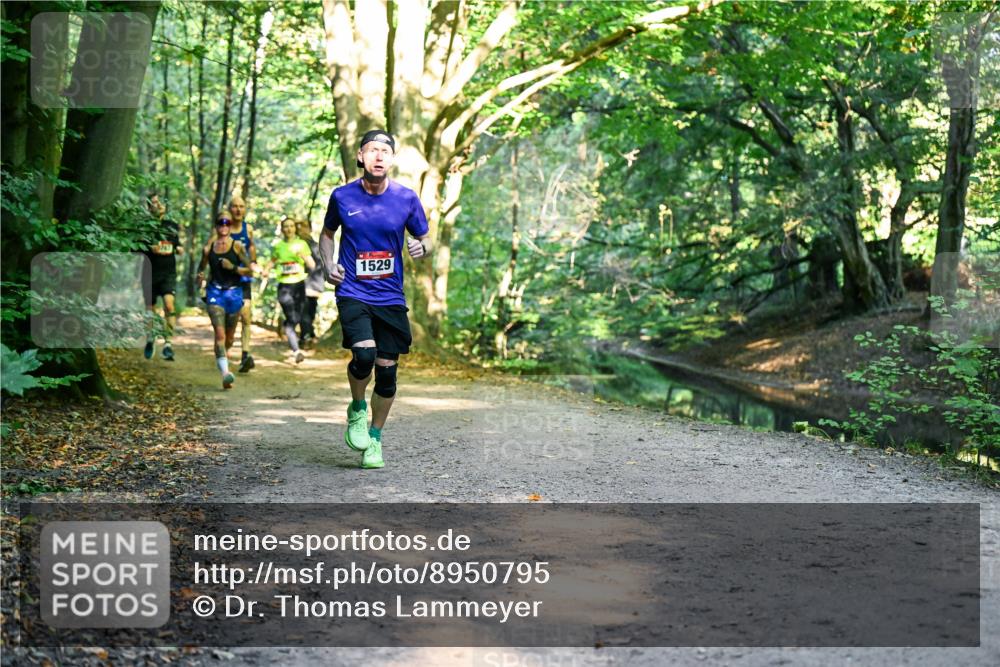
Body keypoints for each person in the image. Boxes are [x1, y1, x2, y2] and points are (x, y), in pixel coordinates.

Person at [319, 129, 432, 469]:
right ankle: (357, 408)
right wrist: (327, 263)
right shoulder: (342, 197)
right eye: (372, 150)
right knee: (364, 354)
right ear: (360, 157)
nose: (379, 156)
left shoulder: (407, 199)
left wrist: (421, 247)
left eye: (385, 151)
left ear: (392, 160)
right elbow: (327, 234)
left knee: (386, 374)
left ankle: (375, 439)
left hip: (390, 296)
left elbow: (426, 239)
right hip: (353, 289)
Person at [197, 212, 252, 389]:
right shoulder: (208, 248)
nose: (224, 226)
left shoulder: (237, 247)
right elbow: (201, 269)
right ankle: (225, 373)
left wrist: (233, 267)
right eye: (220, 223)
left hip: (234, 294)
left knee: (229, 339)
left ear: (230, 227)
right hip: (215, 293)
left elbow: (250, 270)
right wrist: (200, 279)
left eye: (227, 223)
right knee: (219, 335)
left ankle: (223, 358)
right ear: (216, 226)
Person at [142, 193, 183, 361]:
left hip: (168, 273)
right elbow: (134, 250)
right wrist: (148, 248)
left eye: (160, 203)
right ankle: (150, 339)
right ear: (148, 207)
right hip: (149, 274)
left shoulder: (172, 226)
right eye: (154, 203)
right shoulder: (143, 227)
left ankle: (168, 343)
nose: (158, 206)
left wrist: (179, 248)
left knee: (169, 306)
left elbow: (177, 244)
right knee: (149, 311)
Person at [270, 218, 315, 363]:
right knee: (293, 319)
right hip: (284, 286)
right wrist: (263, 270)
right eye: (286, 226)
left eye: (291, 226)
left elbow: (312, 265)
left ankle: (288, 330)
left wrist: (303, 257)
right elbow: (271, 262)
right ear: (282, 229)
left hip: (299, 286)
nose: (288, 229)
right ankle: (297, 351)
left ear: (295, 228)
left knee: (297, 319)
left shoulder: (301, 244)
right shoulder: (278, 246)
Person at [225, 196, 259, 373]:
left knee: (246, 316)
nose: (238, 210)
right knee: (230, 323)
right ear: (230, 209)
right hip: (226, 280)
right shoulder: (224, 229)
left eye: (241, 206)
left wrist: (253, 262)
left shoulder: (249, 229)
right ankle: (224, 352)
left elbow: (252, 250)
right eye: (235, 206)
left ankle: (246, 355)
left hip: (243, 279)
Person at [297, 219, 325, 345]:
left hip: (310, 283)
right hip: (310, 283)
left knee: (306, 312)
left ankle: (306, 336)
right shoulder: (310, 244)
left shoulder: (309, 245)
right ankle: (309, 334)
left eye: (303, 226)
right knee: (307, 311)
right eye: (298, 226)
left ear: (309, 228)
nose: (300, 229)